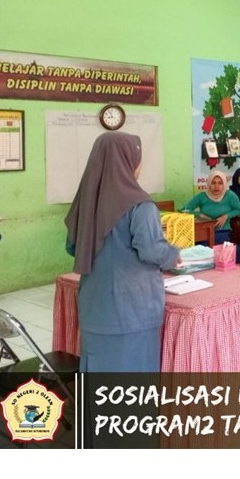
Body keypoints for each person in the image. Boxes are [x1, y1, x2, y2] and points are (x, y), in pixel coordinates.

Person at [64, 133, 180, 372]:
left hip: (94, 304)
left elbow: (72, 246)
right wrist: (173, 255)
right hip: (132, 309)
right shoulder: (140, 205)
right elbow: (151, 249)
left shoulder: (87, 202)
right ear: (128, 160)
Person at [182, 169, 240, 244]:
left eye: (220, 183)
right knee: (200, 245)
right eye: (213, 183)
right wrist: (199, 215)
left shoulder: (230, 195)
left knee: (217, 244)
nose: (216, 186)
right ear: (209, 183)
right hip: (204, 231)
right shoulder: (202, 196)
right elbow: (184, 210)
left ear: (224, 184)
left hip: (222, 230)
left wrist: (226, 216)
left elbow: (237, 209)